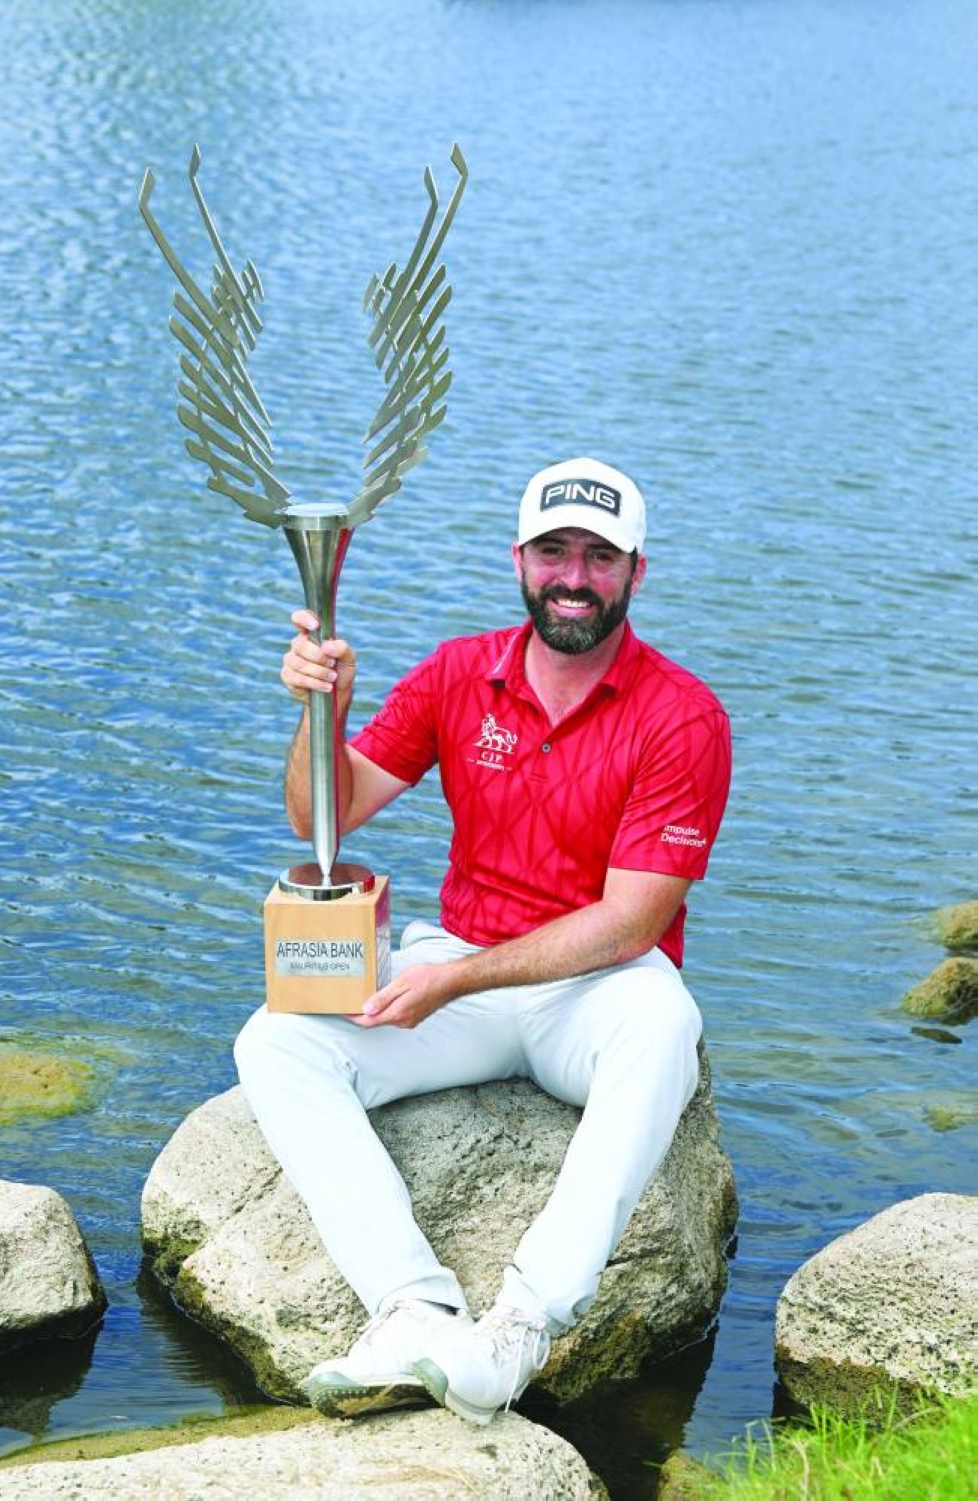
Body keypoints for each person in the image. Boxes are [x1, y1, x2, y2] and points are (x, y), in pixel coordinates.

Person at [234, 456, 731, 1428]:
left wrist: (454, 979)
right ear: (520, 560)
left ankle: (518, 1328)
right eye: (554, 551)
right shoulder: (460, 672)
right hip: (456, 967)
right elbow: (317, 814)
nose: (574, 574)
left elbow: (631, 918)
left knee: (666, 1024)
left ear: (636, 571)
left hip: (596, 987)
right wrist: (318, 706)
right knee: (277, 1038)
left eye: (599, 555)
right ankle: (411, 1308)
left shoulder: (684, 715)